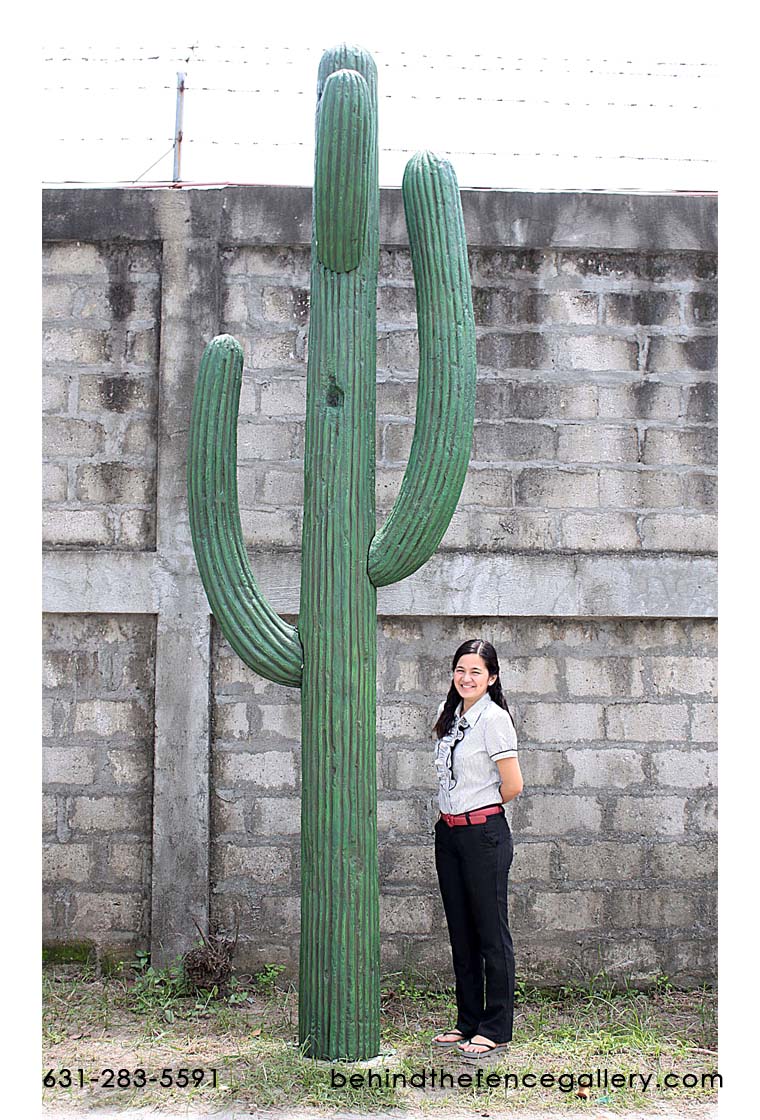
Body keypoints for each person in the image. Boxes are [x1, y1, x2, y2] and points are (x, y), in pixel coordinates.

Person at [430, 638, 523, 1062]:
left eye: (476, 672)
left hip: (483, 833)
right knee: (461, 932)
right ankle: (467, 1020)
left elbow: (513, 785)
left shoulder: (494, 719)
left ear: (492, 677)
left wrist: (481, 810)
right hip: (449, 834)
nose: (466, 678)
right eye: (460, 670)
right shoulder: (451, 716)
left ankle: (496, 1027)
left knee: (490, 932)